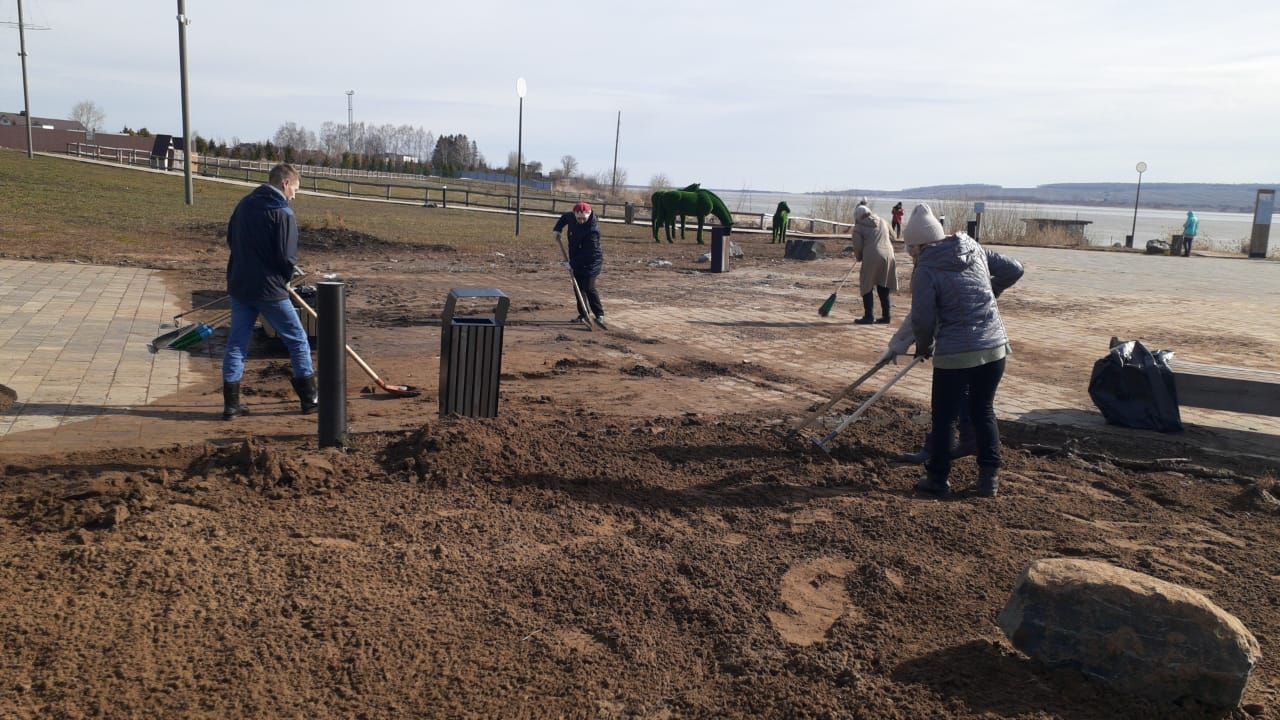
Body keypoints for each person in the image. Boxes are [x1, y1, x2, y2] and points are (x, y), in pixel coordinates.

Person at [902, 203, 1024, 498]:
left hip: (956, 354)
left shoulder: (926, 269)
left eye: (910, 249)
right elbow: (1014, 269)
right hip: (994, 348)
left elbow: (923, 317)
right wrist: (990, 293)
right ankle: (989, 479)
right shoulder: (973, 248)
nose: (911, 255)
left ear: (920, 244)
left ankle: (938, 479)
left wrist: (923, 345)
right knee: (983, 410)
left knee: (944, 417)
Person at [221, 163, 318, 420]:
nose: (295, 195)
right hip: (270, 290)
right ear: (285, 183)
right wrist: (286, 278)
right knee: (297, 339)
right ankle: (310, 399)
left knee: (237, 343)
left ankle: (231, 406)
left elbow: (231, 239)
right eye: (295, 189)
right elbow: (287, 256)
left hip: (240, 284)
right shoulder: (282, 212)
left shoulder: (244, 204)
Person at [553, 201, 606, 328]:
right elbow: (564, 218)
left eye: (584, 219)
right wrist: (557, 229)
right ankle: (583, 314)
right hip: (576, 258)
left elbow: (589, 253)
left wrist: (572, 263)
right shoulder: (572, 217)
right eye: (579, 218)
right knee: (578, 287)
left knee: (588, 286)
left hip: (592, 262)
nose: (581, 221)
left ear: (588, 215)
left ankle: (599, 315)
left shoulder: (593, 231)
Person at [848, 204, 898, 324]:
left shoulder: (858, 228)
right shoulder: (883, 221)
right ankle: (886, 316)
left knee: (867, 285)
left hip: (871, 256)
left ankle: (869, 316)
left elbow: (858, 246)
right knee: (883, 284)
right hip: (889, 255)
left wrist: (859, 257)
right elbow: (894, 237)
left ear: (857, 217)